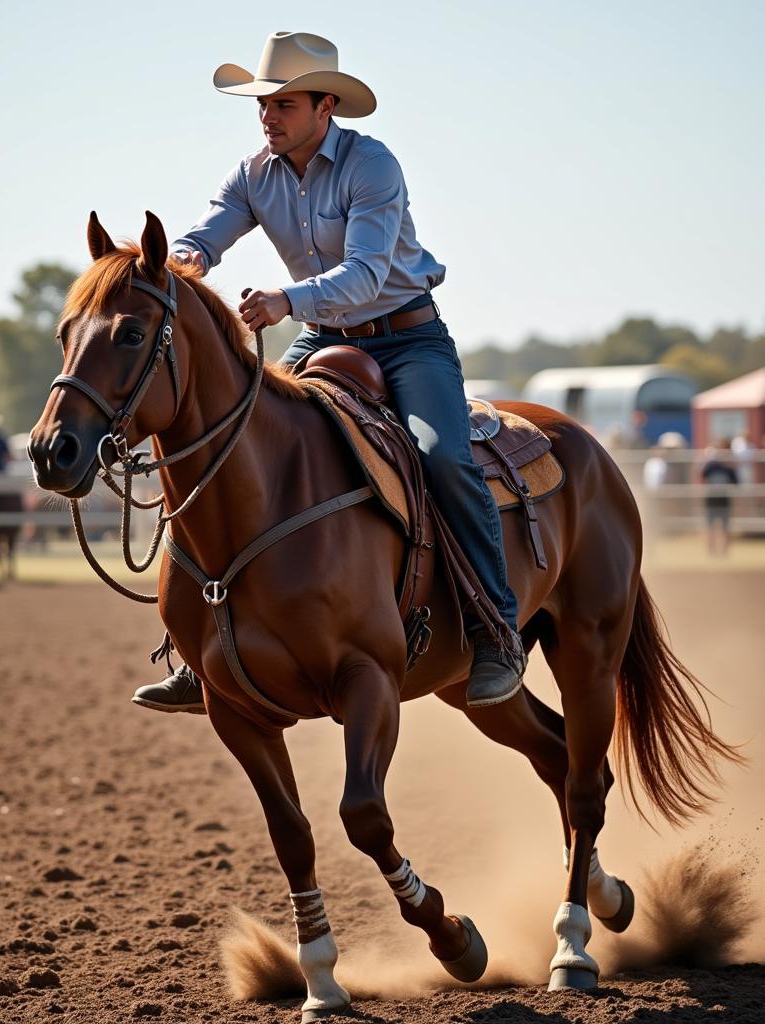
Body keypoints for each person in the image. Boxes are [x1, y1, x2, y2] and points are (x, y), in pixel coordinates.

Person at [132, 31, 525, 716]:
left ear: (325, 107)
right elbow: (206, 235)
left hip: (408, 340)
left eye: (283, 102)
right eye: (262, 103)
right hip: (321, 336)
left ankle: (497, 631)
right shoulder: (253, 173)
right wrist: (170, 265)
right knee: (233, 445)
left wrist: (287, 300)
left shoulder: (373, 167)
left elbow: (369, 273)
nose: (268, 115)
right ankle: (198, 650)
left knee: (443, 458)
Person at [700, 441, 738, 557]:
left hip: (724, 500)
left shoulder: (728, 468)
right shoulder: (710, 467)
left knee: (725, 527)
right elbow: (702, 474)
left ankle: (724, 552)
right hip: (711, 500)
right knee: (709, 527)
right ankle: (711, 551)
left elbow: (735, 481)